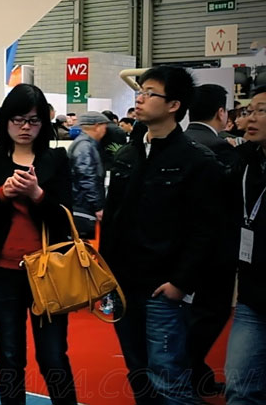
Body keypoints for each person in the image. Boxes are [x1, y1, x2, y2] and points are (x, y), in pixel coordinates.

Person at [101, 66, 223, 405]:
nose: (140, 99)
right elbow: (112, 220)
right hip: (123, 285)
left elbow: (206, 230)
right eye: (140, 91)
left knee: (169, 378)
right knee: (138, 371)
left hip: (163, 287)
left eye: (150, 93)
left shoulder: (197, 160)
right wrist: (105, 275)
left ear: (174, 105)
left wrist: (180, 282)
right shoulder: (127, 155)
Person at [0, 83, 77, 405]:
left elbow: (66, 220)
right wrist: (3, 194)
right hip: (3, 271)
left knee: (53, 356)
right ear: (5, 121)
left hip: (49, 271)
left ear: (44, 122)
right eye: (18, 119)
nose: (25, 127)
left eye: (33, 120)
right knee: (10, 357)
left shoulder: (55, 159)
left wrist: (37, 195)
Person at [183, 84, 242, 397]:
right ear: (221, 112)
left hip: (177, 248)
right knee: (211, 312)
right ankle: (189, 374)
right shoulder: (222, 149)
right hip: (214, 249)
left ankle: (196, 374)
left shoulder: (178, 143)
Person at [229, 88, 266, 405]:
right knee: (239, 388)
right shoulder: (245, 161)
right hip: (253, 295)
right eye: (248, 110)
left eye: (261, 111)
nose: (250, 118)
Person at [68, 112, 107, 239]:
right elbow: (87, 178)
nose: (105, 131)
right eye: (104, 127)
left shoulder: (82, 144)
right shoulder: (85, 147)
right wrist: (98, 206)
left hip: (81, 203)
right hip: (83, 206)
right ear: (97, 126)